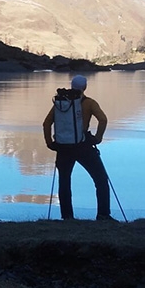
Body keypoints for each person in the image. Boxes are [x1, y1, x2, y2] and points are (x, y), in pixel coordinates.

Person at [42, 75, 113, 220]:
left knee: (64, 181)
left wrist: (50, 142)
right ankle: (103, 215)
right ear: (85, 87)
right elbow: (103, 120)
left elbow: (46, 123)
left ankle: (67, 217)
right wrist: (98, 138)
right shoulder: (89, 103)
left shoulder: (61, 103)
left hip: (63, 147)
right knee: (100, 179)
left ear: (71, 86)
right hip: (83, 146)